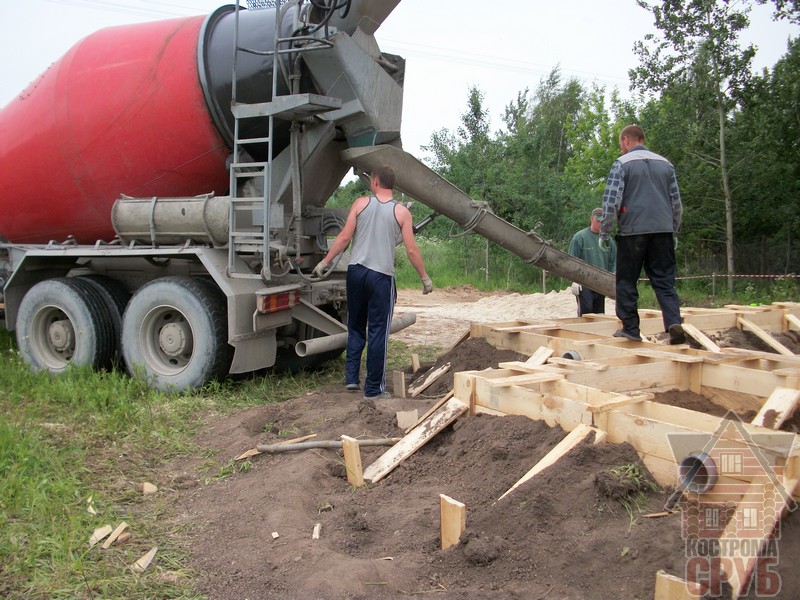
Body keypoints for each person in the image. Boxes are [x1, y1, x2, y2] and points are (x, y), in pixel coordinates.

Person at [312, 165, 432, 401]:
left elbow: (344, 237)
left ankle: (351, 379)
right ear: (392, 185)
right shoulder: (401, 212)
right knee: (378, 332)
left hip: (356, 273)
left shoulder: (360, 203)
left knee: (356, 326)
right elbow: (411, 248)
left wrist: (325, 262)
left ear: (375, 182)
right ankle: (373, 389)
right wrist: (424, 277)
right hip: (380, 277)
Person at [599, 124, 686, 344]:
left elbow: (611, 202)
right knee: (665, 280)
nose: (621, 149)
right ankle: (673, 322)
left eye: (621, 144)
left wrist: (605, 232)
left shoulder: (622, 164)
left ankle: (630, 328)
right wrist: (674, 230)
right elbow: (676, 203)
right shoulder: (666, 165)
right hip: (663, 232)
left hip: (633, 232)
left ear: (627, 140)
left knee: (627, 281)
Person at [568, 207, 616, 316]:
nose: (601, 224)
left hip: (601, 282)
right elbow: (570, 261)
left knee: (599, 313)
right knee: (586, 311)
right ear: (591, 219)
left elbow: (614, 261)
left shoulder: (608, 240)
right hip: (583, 282)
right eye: (598, 221)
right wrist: (574, 280)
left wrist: (614, 275)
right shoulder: (579, 238)